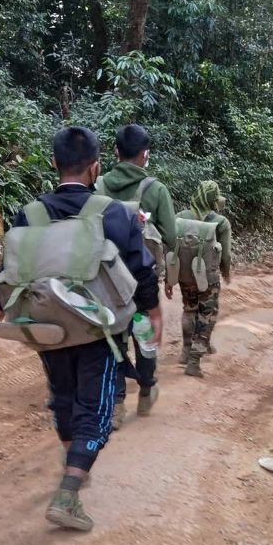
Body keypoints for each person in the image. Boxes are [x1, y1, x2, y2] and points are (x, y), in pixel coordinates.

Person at [0, 126, 162, 531]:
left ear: (54, 163)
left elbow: (8, 274)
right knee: (98, 408)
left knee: (63, 396)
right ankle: (69, 492)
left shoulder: (31, 214)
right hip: (100, 331)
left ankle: (74, 457)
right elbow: (142, 270)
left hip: (49, 328)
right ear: (96, 167)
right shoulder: (115, 213)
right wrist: (153, 315)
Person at [96, 123, 176, 425]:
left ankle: (116, 404)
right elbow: (171, 236)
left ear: (116, 151)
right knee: (144, 333)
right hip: (141, 279)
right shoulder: (155, 189)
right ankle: (145, 390)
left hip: (105, 279)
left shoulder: (98, 185)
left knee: (113, 337)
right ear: (145, 154)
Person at [176, 180, 231, 378]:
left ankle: (186, 350)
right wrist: (226, 271)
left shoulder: (180, 217)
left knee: (189, 309)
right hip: (208, 276)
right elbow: (226, 254)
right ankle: (194, 362)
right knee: (207, 314)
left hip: (185, 274)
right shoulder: (221, 222)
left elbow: (172, 244)